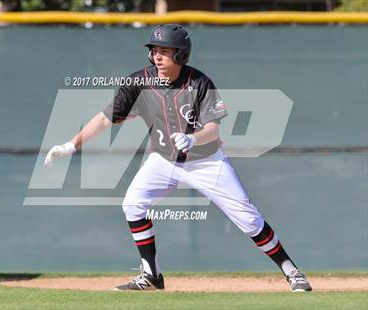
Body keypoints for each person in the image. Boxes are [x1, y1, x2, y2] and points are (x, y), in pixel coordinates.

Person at [44, 24, 312, 292]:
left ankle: (292, 271)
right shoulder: (138, 82)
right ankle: (151, 275)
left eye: (165, 51)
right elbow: (105, 119)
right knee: (133, 204)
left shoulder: (200, 83)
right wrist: (71, 145)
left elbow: (213, 129)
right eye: (154, 51)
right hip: (162, 161)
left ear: (181, 55)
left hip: (206, 162)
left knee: (249, 219)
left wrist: (193, 138)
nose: (157, 56)